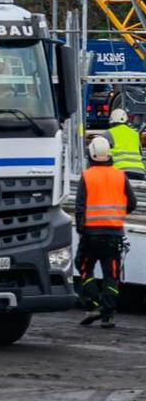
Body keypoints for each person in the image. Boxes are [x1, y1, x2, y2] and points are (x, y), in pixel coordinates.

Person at [77, 134, 136, 327]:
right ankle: (108, 316)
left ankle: (95, 304)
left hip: (91, 235)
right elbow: (132, 203)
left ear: (91, 154)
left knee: (84, 268)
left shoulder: (87, 176)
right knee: (111, 275)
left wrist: (81, 230)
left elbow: (80, 207)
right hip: (114, 234)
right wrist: (116, 213)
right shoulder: (120, 175)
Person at [108, 107, 146, 184]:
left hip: (119, 172)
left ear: (111, 122)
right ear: (126, 121)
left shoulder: (108, 134)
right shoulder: (135, 134)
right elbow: (141, 155)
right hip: (139, 171)